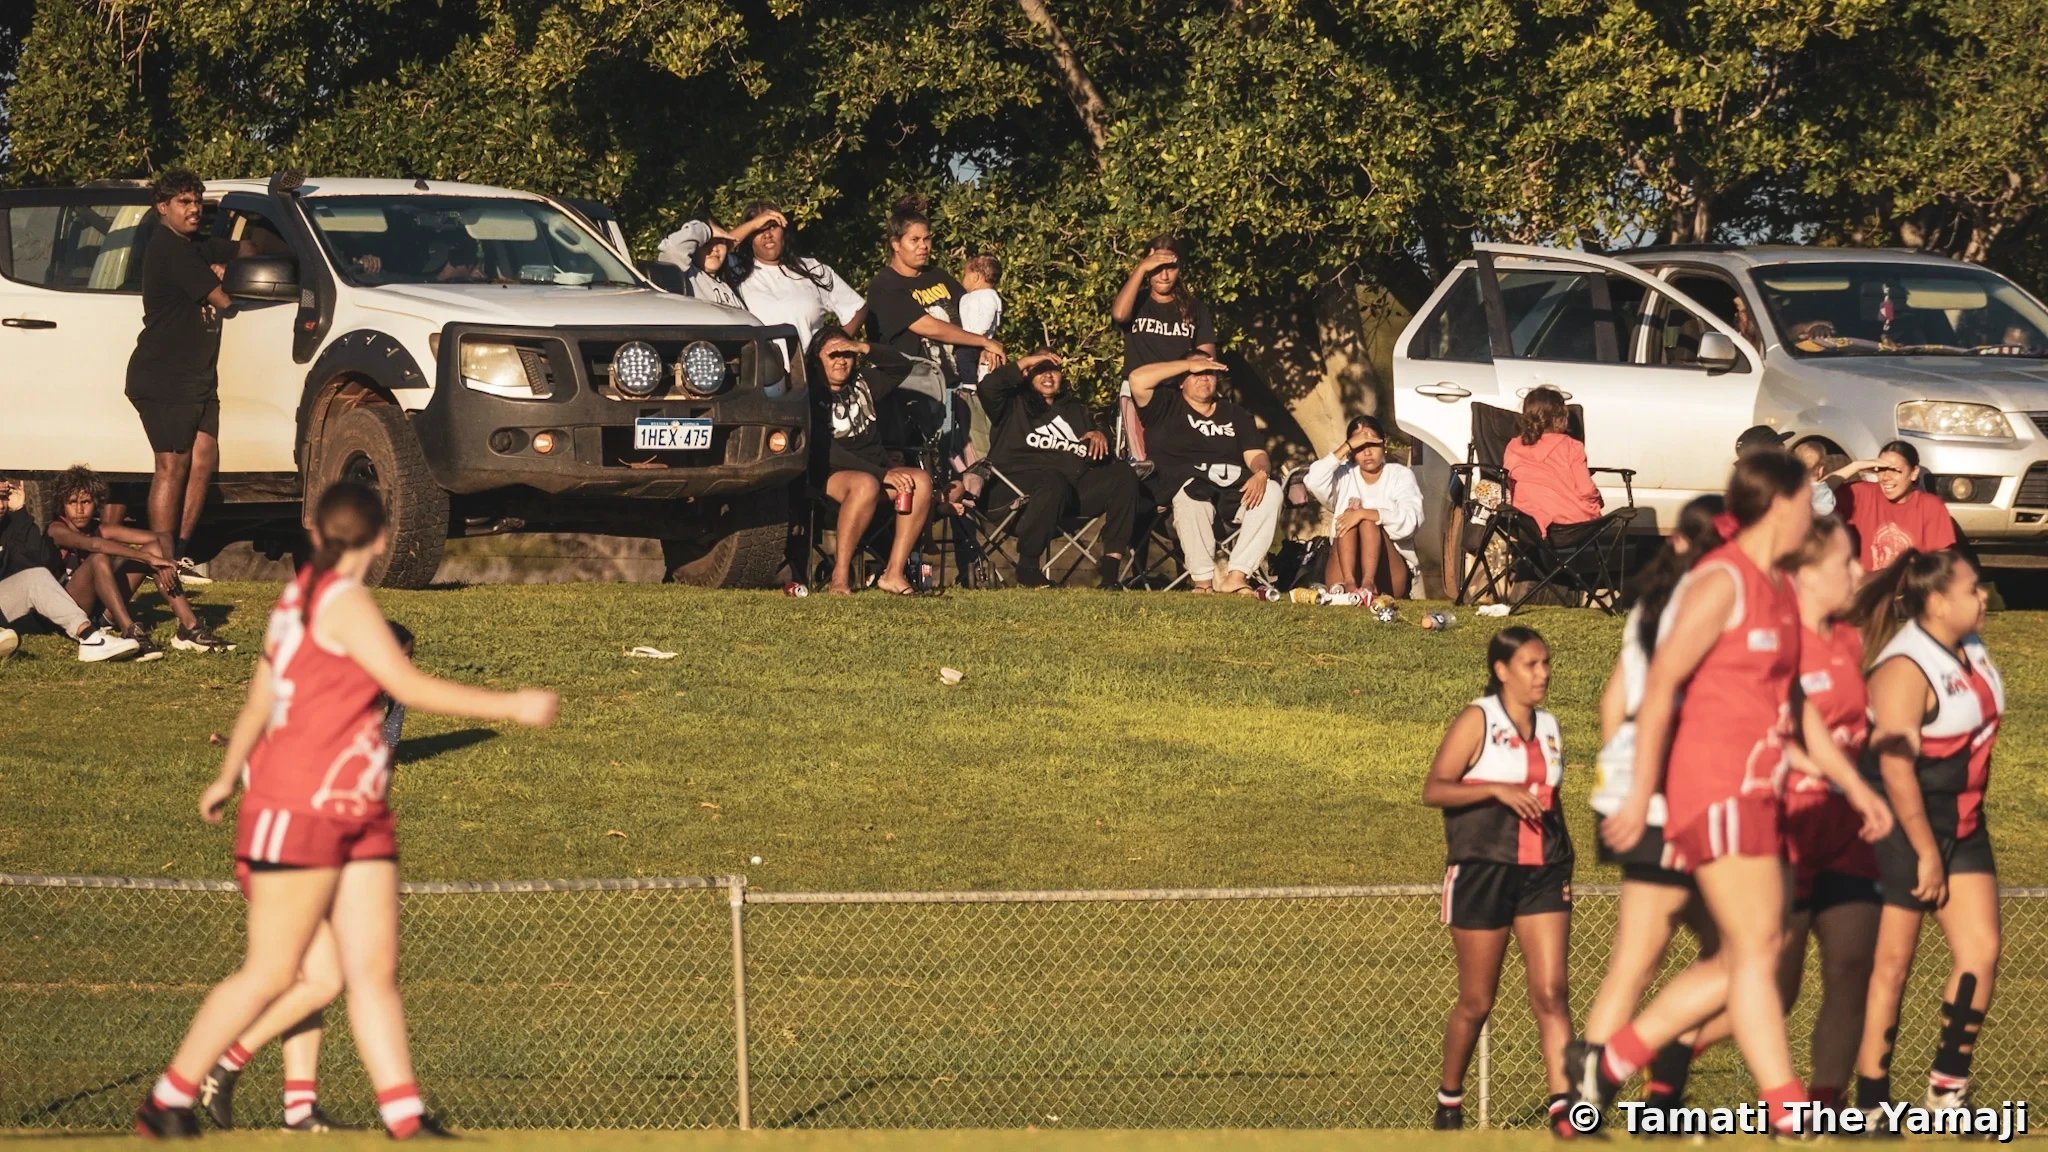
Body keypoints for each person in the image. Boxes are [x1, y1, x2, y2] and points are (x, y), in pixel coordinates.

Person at [135, 482, 559, 1140]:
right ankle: (169, 1096)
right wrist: (512, 705)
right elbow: (405, 685)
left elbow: (257, 703)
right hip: (300, 805)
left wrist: (225, 777)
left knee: (369, 969)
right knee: (273, 970)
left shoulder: (296, 599)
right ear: (381, 539)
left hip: (357, 807)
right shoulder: (342, 601)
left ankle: (404, 1116)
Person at [1570, 450, 1887, 1135]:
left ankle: (1610, 1063)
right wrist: (1636, 794)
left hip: (1759, 790)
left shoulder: (1776, 586)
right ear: (1778, 503)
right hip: (1711, 784)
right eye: (1810, 499)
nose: (1816, 511)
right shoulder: (1723, 581)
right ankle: (1787, 1104)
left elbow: (1797, 706)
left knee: (1757, 952)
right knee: (1754, 946)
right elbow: (1655, 692)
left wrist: (1852, 784)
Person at [201, 621, 416, 1134]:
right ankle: (226, 1061)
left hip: (319, 853)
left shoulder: (370, 704)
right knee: (322, 978)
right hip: (288, 853)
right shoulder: (327, 694)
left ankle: (298, 1108)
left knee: (313, 981)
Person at [1577, 496, 1725, 1123]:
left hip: (1638, 790)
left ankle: (1625, 1084)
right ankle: (1607, 1081)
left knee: (1661, 960)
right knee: (1747, 959)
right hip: (1670, 796)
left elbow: (1614, 703)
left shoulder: (1650, 604)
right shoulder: (1708, 604)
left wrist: (1619, 778)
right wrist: (1646, 789)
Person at [1849, 548, 2003, 1119]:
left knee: (1980, 950)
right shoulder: (1904, 667)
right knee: (1892, 966)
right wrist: (1923, 853)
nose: (1982, 598)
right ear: (1937, 603)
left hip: (1961, 822)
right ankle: (1868, 1104)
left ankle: (1946, 1090)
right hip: (1901, 827)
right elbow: (1894, 769)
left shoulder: (1974, 649)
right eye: (1971, 590)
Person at [1422, 628, 1574, 1137]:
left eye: (1546, 663)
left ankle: (1567, 1114)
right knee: (1477, 1001)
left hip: (1544, 875)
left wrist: (1563, 860)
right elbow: (1435, 789)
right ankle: (1449, 1102)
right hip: (1482, 871)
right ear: (1502, 670)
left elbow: (1552, 801)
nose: (1543, 673)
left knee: (1552, 993)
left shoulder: (1551, 725)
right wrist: (1497, 791)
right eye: (1531, 664)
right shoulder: (1477, 719)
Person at [1774, 515, 1887, 1113]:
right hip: (1786, 827)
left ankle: (1826, 1108)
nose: (1858, 572)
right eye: (1847, 562)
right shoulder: (1773, 639)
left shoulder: (1850, 638)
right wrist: (1812, 767)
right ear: (1807, 575)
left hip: (1847, 829)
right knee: (1777, 990)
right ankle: (1669, 1059)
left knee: (1851, 969)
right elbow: (1755, 725)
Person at [125, 168, 238, 586]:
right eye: (184, 203)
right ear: (163, 208)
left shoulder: (193, 246)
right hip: (163, 377)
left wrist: (234, 254)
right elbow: (223, 299)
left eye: (197, 202)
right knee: (172, 466)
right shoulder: (169, 249)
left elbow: (249, 245)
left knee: (204, 457)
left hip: (198, 380)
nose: (194, 210)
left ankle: (182, 554)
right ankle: (163, 557)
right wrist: (221, 277)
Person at [978, 349, 1140, 588]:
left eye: (1053, 369)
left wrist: (1100, 434)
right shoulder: (1012, 403)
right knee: (1052, 479)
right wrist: (1024, 361)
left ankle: (1111, 567)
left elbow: (1094, 451)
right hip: (1014, 496)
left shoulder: (1074, 409)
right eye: (1039, 369)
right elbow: (987, 387)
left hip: (1067, 496)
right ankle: (1028, 567)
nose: (1048, 376)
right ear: (1027, 373)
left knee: (1123, 474)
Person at [43, 465, 230, 657]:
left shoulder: (99, 528)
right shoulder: (56, 530)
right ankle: (129, 630)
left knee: (155, 548)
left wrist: (165, 562)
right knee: (100, 558)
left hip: (100, 611)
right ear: (62, 505)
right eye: (72, 502)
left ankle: (189, 627)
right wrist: (147, 558)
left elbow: (163, 537)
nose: (80, 509)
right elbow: (94, 545)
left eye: (86, 502)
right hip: (69, 610)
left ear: (96, 503)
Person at [1127, 355, 1275, 595]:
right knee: (1193, 493)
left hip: (1231, 493)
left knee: (1272, 490)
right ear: (1181, 382)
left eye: (1209, 373)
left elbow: (1256, 454)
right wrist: (1188, 364)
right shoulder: (1165, 405)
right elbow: (1136, 378)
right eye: (1197, 374)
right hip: (1179, 497)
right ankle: (1203, 583)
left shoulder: (1235, 414)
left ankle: (1236, 577)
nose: (1204, 378)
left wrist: (1261, 472)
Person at [865, 196, 1005, 445]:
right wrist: (984, 342)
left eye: (927, 238)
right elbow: (927, 326)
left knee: (973, 463)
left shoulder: (937, 275)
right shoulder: (884, 285)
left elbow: (971, 315)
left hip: (958, 386)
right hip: (915, 393)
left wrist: (987, 346)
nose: (924, 246)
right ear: (896, 244)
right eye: (915, 240)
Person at [810, 328, 933, 596]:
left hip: (875, 473)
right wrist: (881, 474)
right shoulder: (809, 392)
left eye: (847, 354)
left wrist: (862, 346)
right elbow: (824, 448)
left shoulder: (864, 381)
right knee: (865, 484)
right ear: (816, 358)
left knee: (920, 481)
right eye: (833, 354)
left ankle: (893, 573)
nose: (841, 360)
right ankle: (840, 576)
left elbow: (902, 366)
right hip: (831, 474)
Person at [0, 477, 143, 663]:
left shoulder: (10, 525)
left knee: (37, 576)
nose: (2, 505)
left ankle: (90, 638)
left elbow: (36, 561)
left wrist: (20, 512)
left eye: (4, 498)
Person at [1110, 237, 1217, 462]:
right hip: (1142, 395)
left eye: (1171, 268)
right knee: (1144, 457)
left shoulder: (1195, 307)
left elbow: (1207, 358)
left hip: (1181, 394)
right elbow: (1119, 315)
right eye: (1157, 268)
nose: (1164, 275)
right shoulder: (1136, 301)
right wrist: (1141, 269)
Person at [1303, 415, 1423, 599]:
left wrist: (1367, 514)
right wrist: (1345, 447)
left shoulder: (1400, 475)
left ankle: (1368, 584)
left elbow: (1410, 522)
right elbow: (1313, 481)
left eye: (1372, 445)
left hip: (1388, 573)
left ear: (1384, 443)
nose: (1367, 453)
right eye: (1359, 447)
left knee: (1366, 522)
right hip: (1342, 572)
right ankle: (1350, 584)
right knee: (1349, 517)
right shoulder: (1343, 475)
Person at [729, 201, 865, 353]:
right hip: (761, 374)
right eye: (758, 231)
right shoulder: (735, 270)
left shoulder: (812, 269)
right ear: (749, 237)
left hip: (809, 373)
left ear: (784, 229)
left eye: (772, 227)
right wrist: (753, 224)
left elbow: (857, 308)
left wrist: (834, 347)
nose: (767, 235)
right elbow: (713, 249)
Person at [1829, 440, 1957, 571]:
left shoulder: (1930, 506)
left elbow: (1942, 563)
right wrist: (1855, 466)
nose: (1885, 477)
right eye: (1881, 469)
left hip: (1912, 589)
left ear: (1913, 473)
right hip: (1868, 588)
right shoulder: (1863, 494)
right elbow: (1816, 496)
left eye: (1895, 470)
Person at [1502, 387, 1601, 536]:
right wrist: (1597, 498)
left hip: (1526, 523)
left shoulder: (1513, 446)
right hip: (1570, 524)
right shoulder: (1572, 446)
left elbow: (1509, 483)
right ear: (1560, 418)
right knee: (1591, 506)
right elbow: (1586, 490)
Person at [657, 212, 780, 309]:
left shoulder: (727, 285)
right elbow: (672, 249)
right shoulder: (687, 276)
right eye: (706, 243)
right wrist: (707, 230)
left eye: (720, 242)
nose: (714, 249)